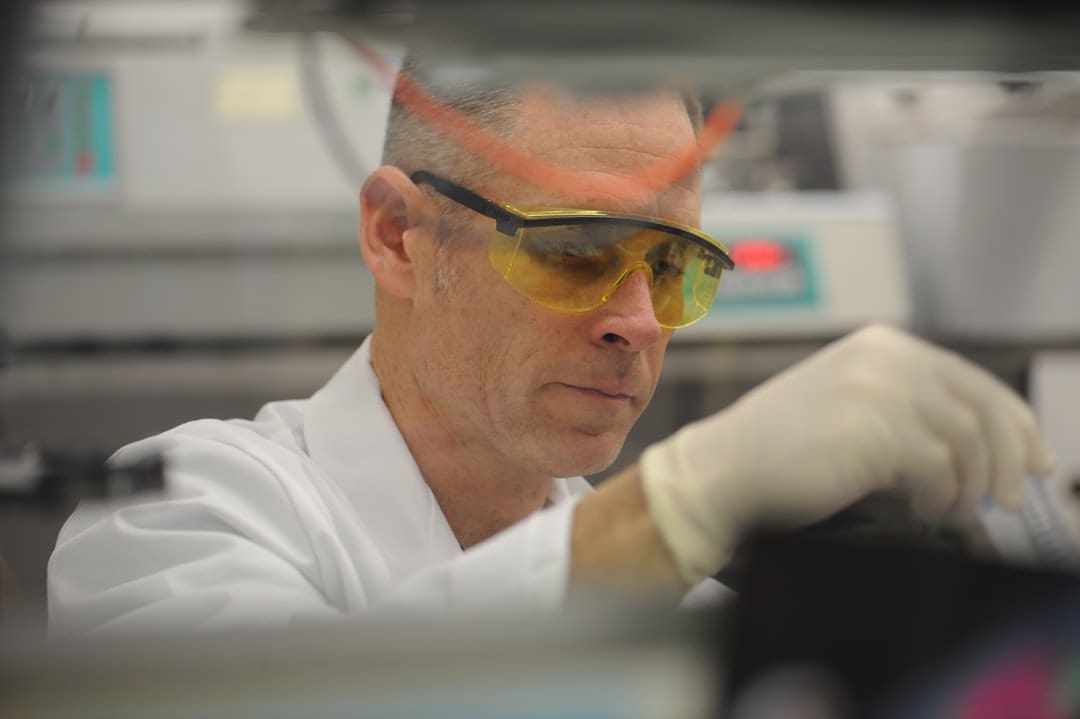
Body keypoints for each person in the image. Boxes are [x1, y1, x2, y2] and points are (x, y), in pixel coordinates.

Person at [48, 56, 1055, 635]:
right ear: (398, 236)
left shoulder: (685, 617)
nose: (639, 319)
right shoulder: (173, 512)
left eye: (674, 264)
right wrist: (684, 501)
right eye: (575, 247)